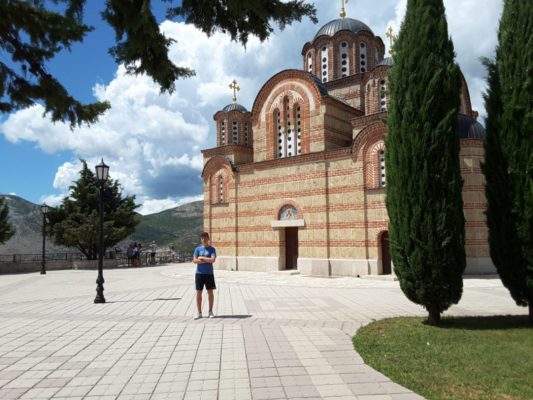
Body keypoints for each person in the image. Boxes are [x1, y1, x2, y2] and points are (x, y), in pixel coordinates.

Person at [192, 232, 217, 319]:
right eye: (202, 238)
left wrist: (202, 258)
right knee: (199, 292)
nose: (204, 239)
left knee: (210, 292)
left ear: (208, 239)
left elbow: (213, 260)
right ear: (201, 239)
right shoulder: (197, 249)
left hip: (209, 274)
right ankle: (199, 312)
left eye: (205, 238)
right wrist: (206, 260)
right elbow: (194, 261)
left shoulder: (212, 249)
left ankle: (210, 311)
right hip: (199, 274)